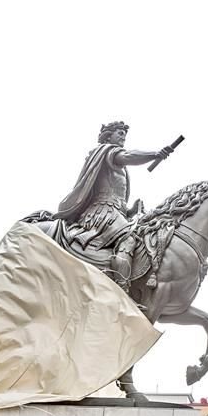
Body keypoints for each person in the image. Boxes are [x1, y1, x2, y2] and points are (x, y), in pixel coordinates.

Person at [56, 122, 174, 290]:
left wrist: (130, 210)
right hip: (102, 211)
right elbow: (128, 156)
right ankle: (122, 288)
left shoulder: (113, 161)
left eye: (124, 134)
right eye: (119, 133)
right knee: (129, 237)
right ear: (108, 135)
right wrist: (155, 154)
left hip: (115, 211)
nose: (123, 136)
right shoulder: (108, 152)